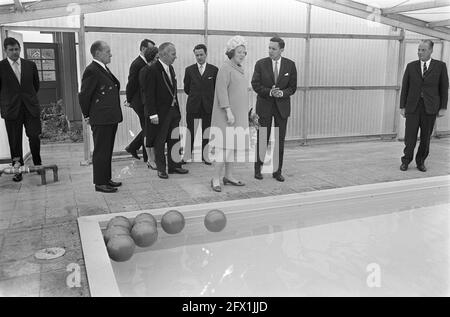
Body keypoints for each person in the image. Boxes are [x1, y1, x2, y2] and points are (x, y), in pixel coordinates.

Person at [79, 41, 123, 193]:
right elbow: (84, 95)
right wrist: (87, 115)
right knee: (101, 151)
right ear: (98, 53)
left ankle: (106, 178)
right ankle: (100, 183)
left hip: (110, 117)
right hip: (101, 118)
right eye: (107, 51)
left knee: (107, 150)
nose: (110, 54)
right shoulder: (92, 70)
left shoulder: (102, 68)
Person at [251, 37, 297, 182]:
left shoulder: (290, 65)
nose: (270, 51)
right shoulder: (260, 64)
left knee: (279, 140)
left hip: (282, 108)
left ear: (281, 50)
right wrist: (270, 92)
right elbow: (255, 84)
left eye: (274, 48)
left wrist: (282, 93)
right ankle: (258, 169)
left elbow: (292, 87)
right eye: (269, 48)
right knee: (262, 138)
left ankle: (277, 172)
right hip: (264, 106)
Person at [400, 40, 448, 172]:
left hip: (430, 107)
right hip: (412, 107)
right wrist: (402, 106)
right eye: (419, 50)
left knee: (426, 138)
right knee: (410, 137)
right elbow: (405, 87)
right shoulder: (411, 66)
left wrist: (443, 107)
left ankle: (420, 162)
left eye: (423, 50)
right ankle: (406, 160)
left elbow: (444, 88)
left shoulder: (440, 66)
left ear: (431, 50)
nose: (420, 52)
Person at [209, 35, 249, 192]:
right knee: (224, 148)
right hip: (227, 116)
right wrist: (228, 111)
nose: (242, 55)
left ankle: (228, 176)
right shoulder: (225, 68)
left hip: (236, 115)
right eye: (239, 51)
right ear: (232, 52)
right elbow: (221, 91)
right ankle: (215, 179)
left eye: (244, 52)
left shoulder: (238, 69)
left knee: (232, 147)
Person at [0, 37, 41, 182]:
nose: (14, 52)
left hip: (30, 108)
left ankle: (38, 164)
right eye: (11, 50)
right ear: (5, 51)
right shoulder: (1, 67)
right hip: (11, 110)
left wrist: (28, 99)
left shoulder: (30, 65)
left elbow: (36, 85)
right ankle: (17, 169)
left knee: (34, 136)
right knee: (15, 141)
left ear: (20, 49)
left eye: (16, 49)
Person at [146, 42, 188, 179]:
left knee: (174, 138)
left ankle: (175, 166)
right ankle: (161, 169)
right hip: (160, 113)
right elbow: (149, 94)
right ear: (163, 54)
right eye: (173, 54)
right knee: (160, 140)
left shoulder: (171, 68)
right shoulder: (153, 70)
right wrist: (152, 114)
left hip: (173, 111)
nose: (175, 57)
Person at [183, 44, 218, 165]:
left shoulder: (213, 70)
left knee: (207, 131)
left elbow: (216, 88)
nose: (199, 57)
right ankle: (187, 155)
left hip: (208, 107)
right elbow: (187, 88)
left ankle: (205, 155)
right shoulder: (189, 70)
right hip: (193, 106)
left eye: (201, 55)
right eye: (197, 55)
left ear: (206, 54)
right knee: (190, 131)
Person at [124, 39, 156, 166]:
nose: (153, 51)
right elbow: (131, 83)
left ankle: (134, 148)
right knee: (147, 127)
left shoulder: (146, 62)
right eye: (150, 48)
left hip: (144, 100)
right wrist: (129, 99)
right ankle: (143, 154)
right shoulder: (137, 64)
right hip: (139, 101)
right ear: (143, 49)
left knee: (147, 127)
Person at [139, 46, 160, 170]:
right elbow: (147, 93)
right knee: (149, 134)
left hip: (154, 108)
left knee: (153, 134)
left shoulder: (153, 69)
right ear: (152, 58)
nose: (159, 60)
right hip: (149, 108)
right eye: (157, 57)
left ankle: (154, 158)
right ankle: (150, 159)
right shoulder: (146, 71)